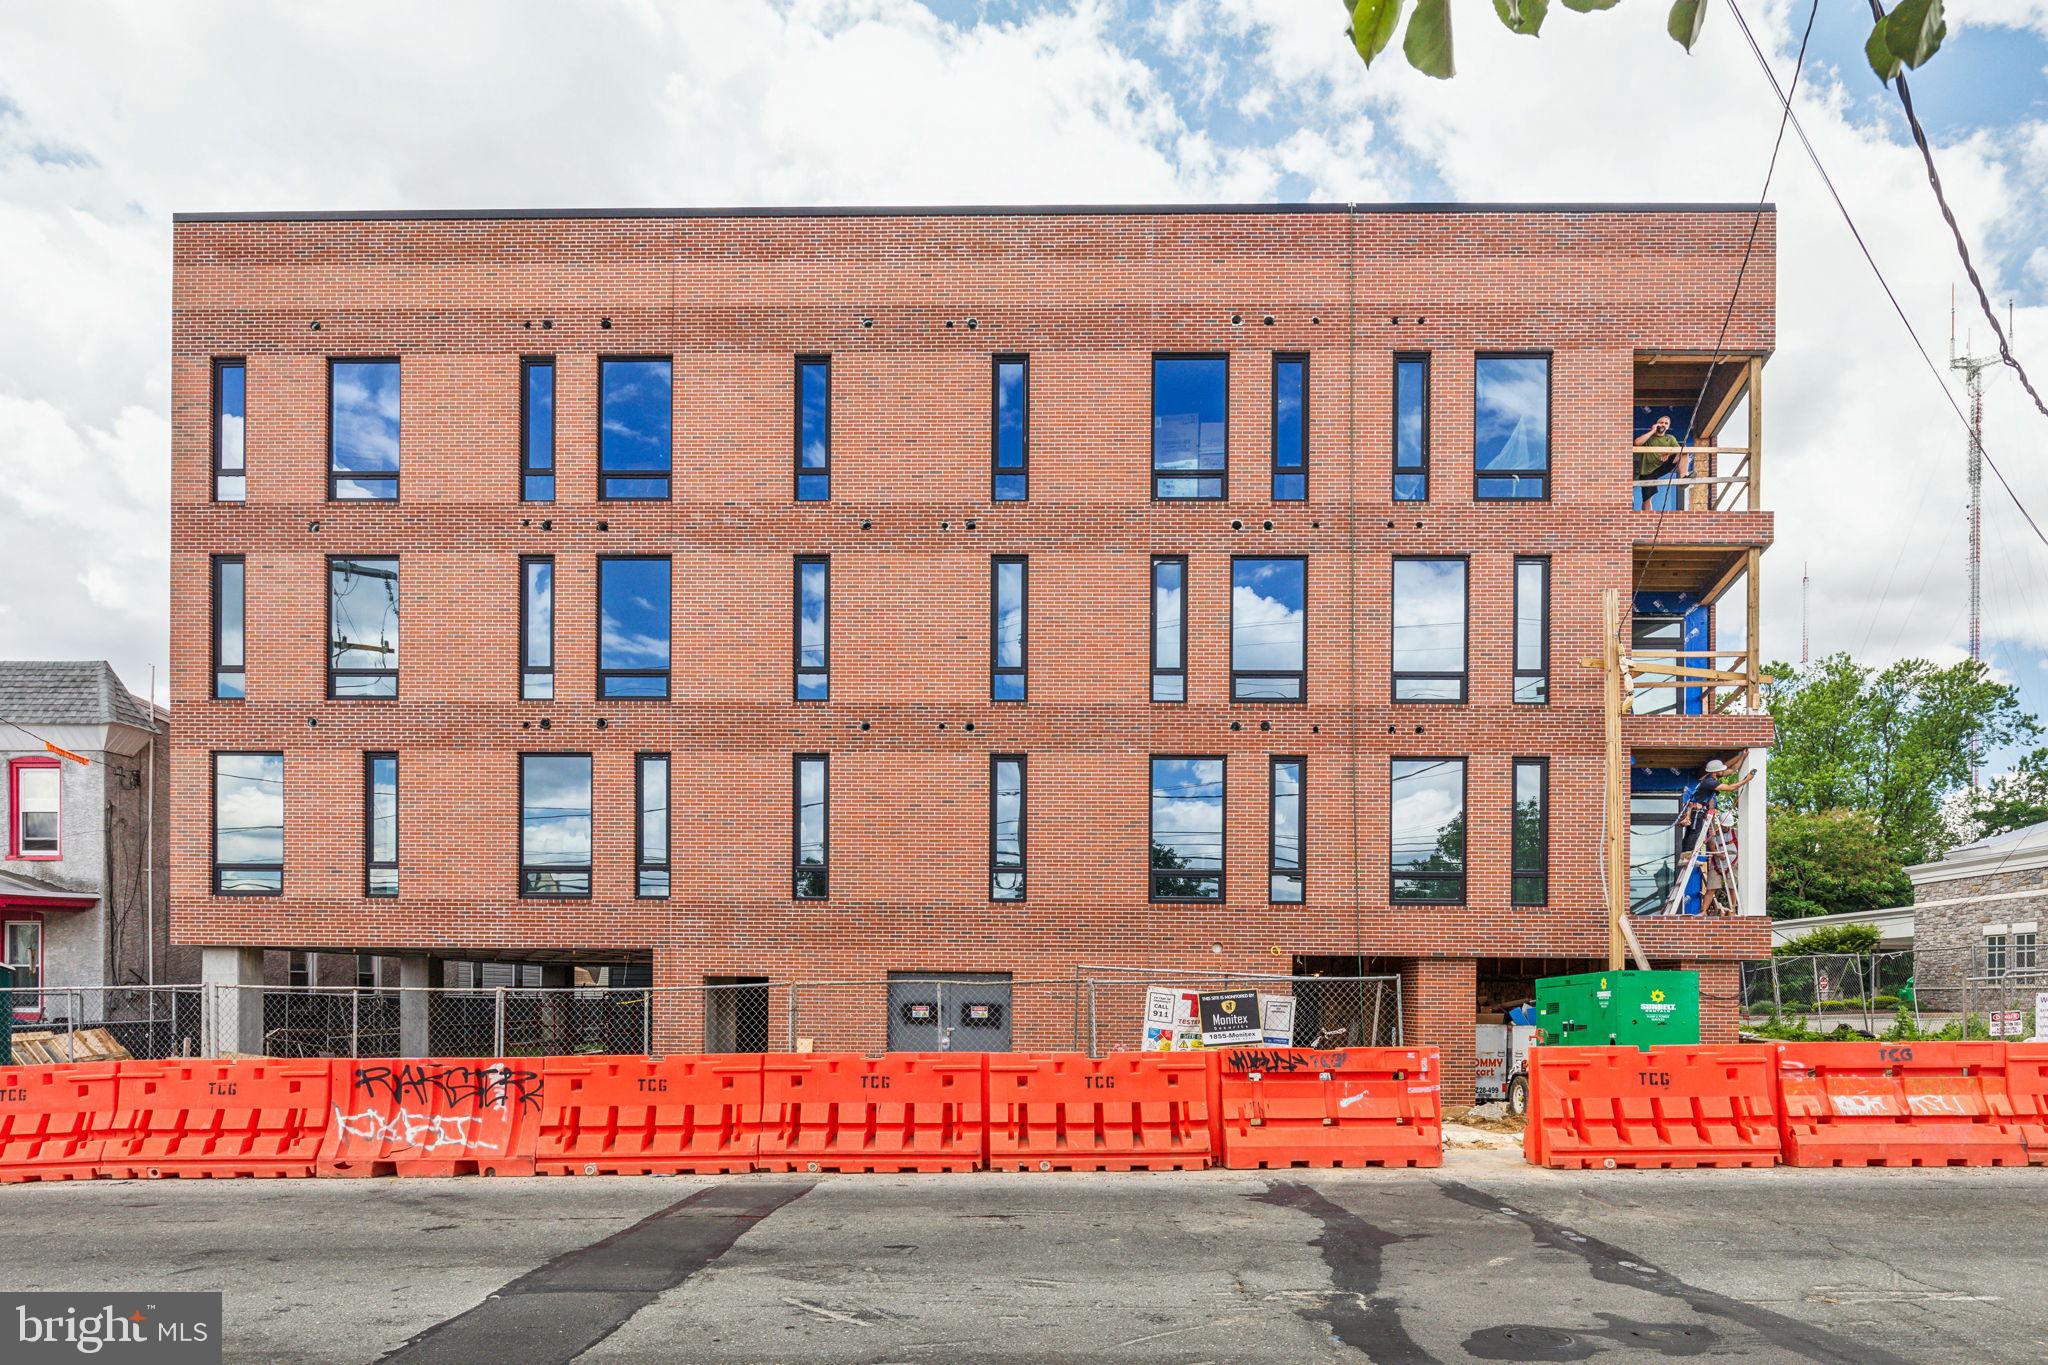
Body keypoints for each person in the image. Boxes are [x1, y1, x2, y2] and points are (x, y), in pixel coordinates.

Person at [1635, 414, 1684, 510]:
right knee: (1647, 499)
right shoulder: (1649, 437)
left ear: (1668, 426)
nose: (1663, 425)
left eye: (1666, 423)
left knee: (1684, 451)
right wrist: (1652, 431)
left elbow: (1679, 451)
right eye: (1661, 422)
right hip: (1648, 471)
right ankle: (1647, 519)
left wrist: (1668, 453)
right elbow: (1637, 443)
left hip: (1662, 466)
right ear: (1656, 424)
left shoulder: (1670, 438)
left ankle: (1683, 478)